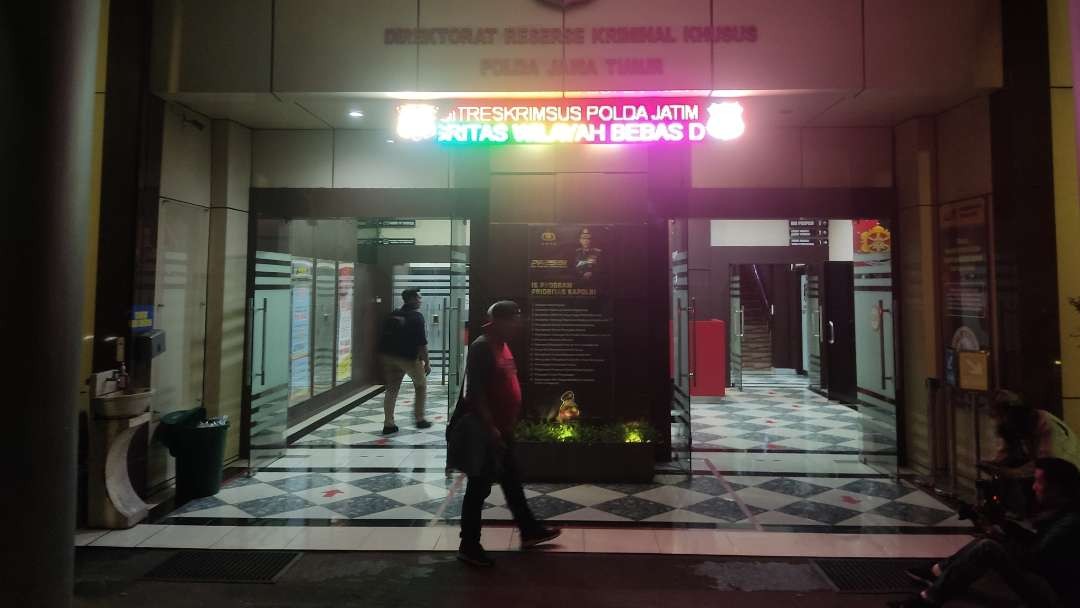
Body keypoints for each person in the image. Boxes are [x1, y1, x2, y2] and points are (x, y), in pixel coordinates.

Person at [891, 457, 1080, 607]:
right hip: (1051, 583)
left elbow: (1035, 560)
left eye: (1039, 482)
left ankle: (929, 599)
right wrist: (1005, 527)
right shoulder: (1061, 512)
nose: (1034, 487)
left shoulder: (1069, 521)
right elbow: (1038, 545)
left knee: (989, 547)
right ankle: (939, 572)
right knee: (989, 540)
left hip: (1056, 595)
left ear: (1056, 488)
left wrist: (1002, 538)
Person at [457, 300, 560, 567]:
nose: (517, 325)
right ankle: (469, 545)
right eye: (513, 320)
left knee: (512, 482)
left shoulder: (501, 344)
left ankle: (529, 531)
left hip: (502, 430)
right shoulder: (481, 347)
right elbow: (476, 393)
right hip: (487, 433)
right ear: (497, 322)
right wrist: (491, 428)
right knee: (478, 489)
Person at [378, 289, 431, 435]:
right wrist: (427, 361)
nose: (420, 300)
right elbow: (422, 343)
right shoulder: (416, 317)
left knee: (392, 389)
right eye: (419, 298)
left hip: (388, 357)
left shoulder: (393, 314)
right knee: (421, 386)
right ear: (412, 299)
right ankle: (420, 419)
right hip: (408, 358)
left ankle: (389, 423)